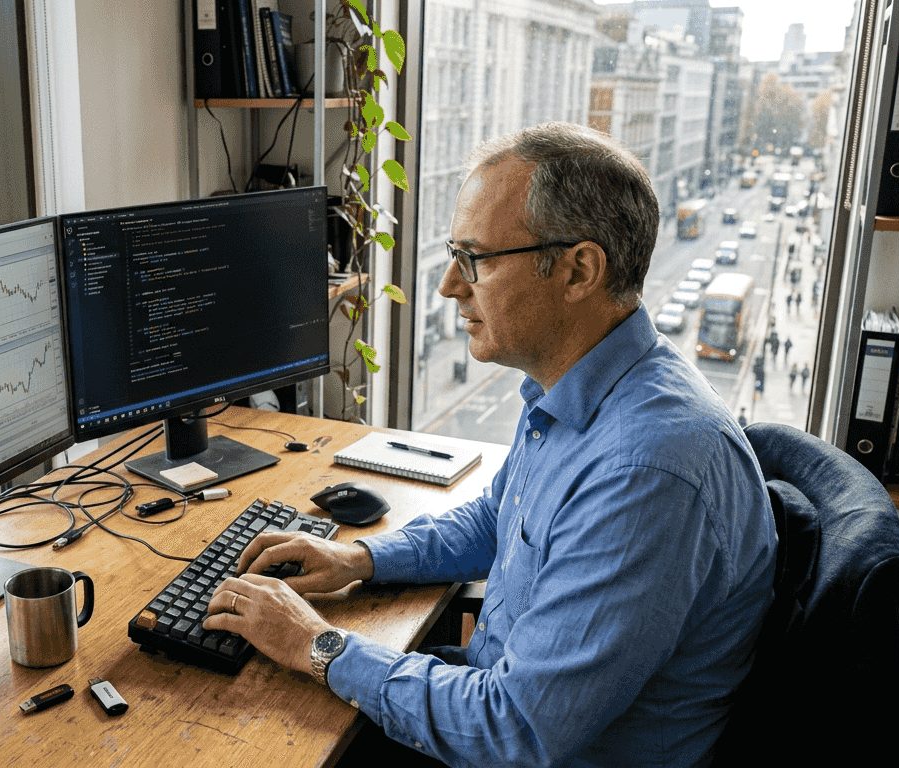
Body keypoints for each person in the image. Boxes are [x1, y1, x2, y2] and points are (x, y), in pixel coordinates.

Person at [203, 124, 776, 767]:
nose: (450, 285)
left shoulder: (648, 470)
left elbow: (516, 733)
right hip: (494, 697)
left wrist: (319, 644)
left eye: (474, 258)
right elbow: (501, 517)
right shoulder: (578, 389)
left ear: (579, 269)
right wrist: (358, 559)